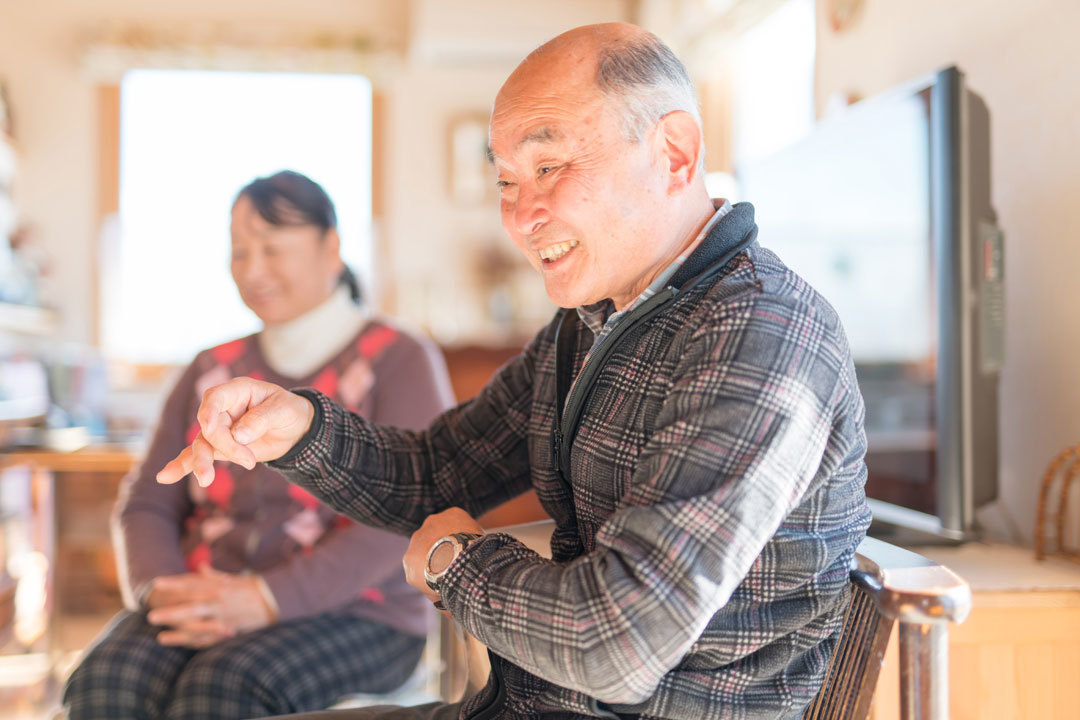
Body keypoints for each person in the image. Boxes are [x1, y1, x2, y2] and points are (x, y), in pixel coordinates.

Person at [160, 24, 871, 720]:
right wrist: (301, 429)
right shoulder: (590, 323)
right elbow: (438, 472)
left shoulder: (761, 335)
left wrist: (456, 563)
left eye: (549, 166)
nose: (522, 213)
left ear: (675, 153)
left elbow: (618, 644)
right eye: (505, 179)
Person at [64, 171, 456, 720]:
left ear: (332, 248)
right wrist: (165, 591)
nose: (252, 271)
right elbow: (149, 500)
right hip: (204, 594)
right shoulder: (210, 367)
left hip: (361, 612)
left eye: (272, 249)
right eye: (239, 252)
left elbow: (406, 515)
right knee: (108, 680)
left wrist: (265, 599)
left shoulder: (399, 358)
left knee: (222, 689)